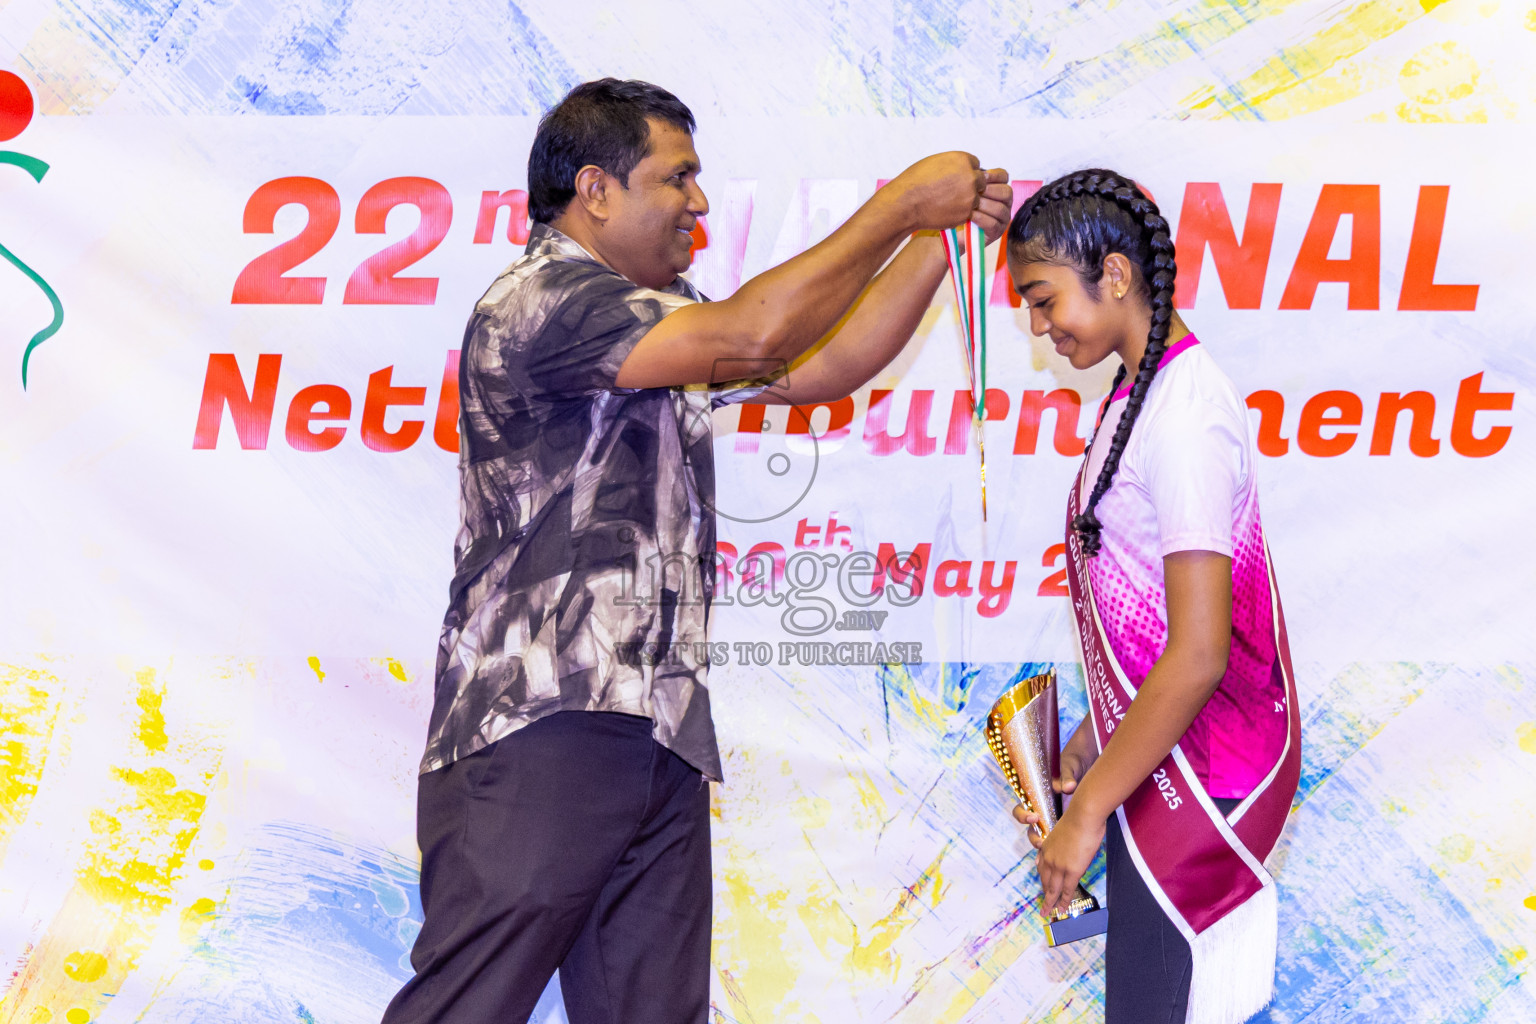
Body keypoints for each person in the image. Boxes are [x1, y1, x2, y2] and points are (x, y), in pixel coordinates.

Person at [380, 78, 1013, 1024]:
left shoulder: (657, 314)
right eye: (678, 178)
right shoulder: (542, 300)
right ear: (595, 189)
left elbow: (818, 368)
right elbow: (758, 331)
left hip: (660, 731)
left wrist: (937, 241)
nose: (699, 202)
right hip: (542, 724)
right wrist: (898, 207)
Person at [1006, 170, 1301, 1024]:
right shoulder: (1140, 397)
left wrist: (1089, 809)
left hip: (1209, 778)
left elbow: (1202, 651)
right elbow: (1160, 618)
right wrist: (1101, 737)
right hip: (1164, 758)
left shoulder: (1184, 413)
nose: (1038, 325)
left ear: (1117, 278)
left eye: (1043, 297)